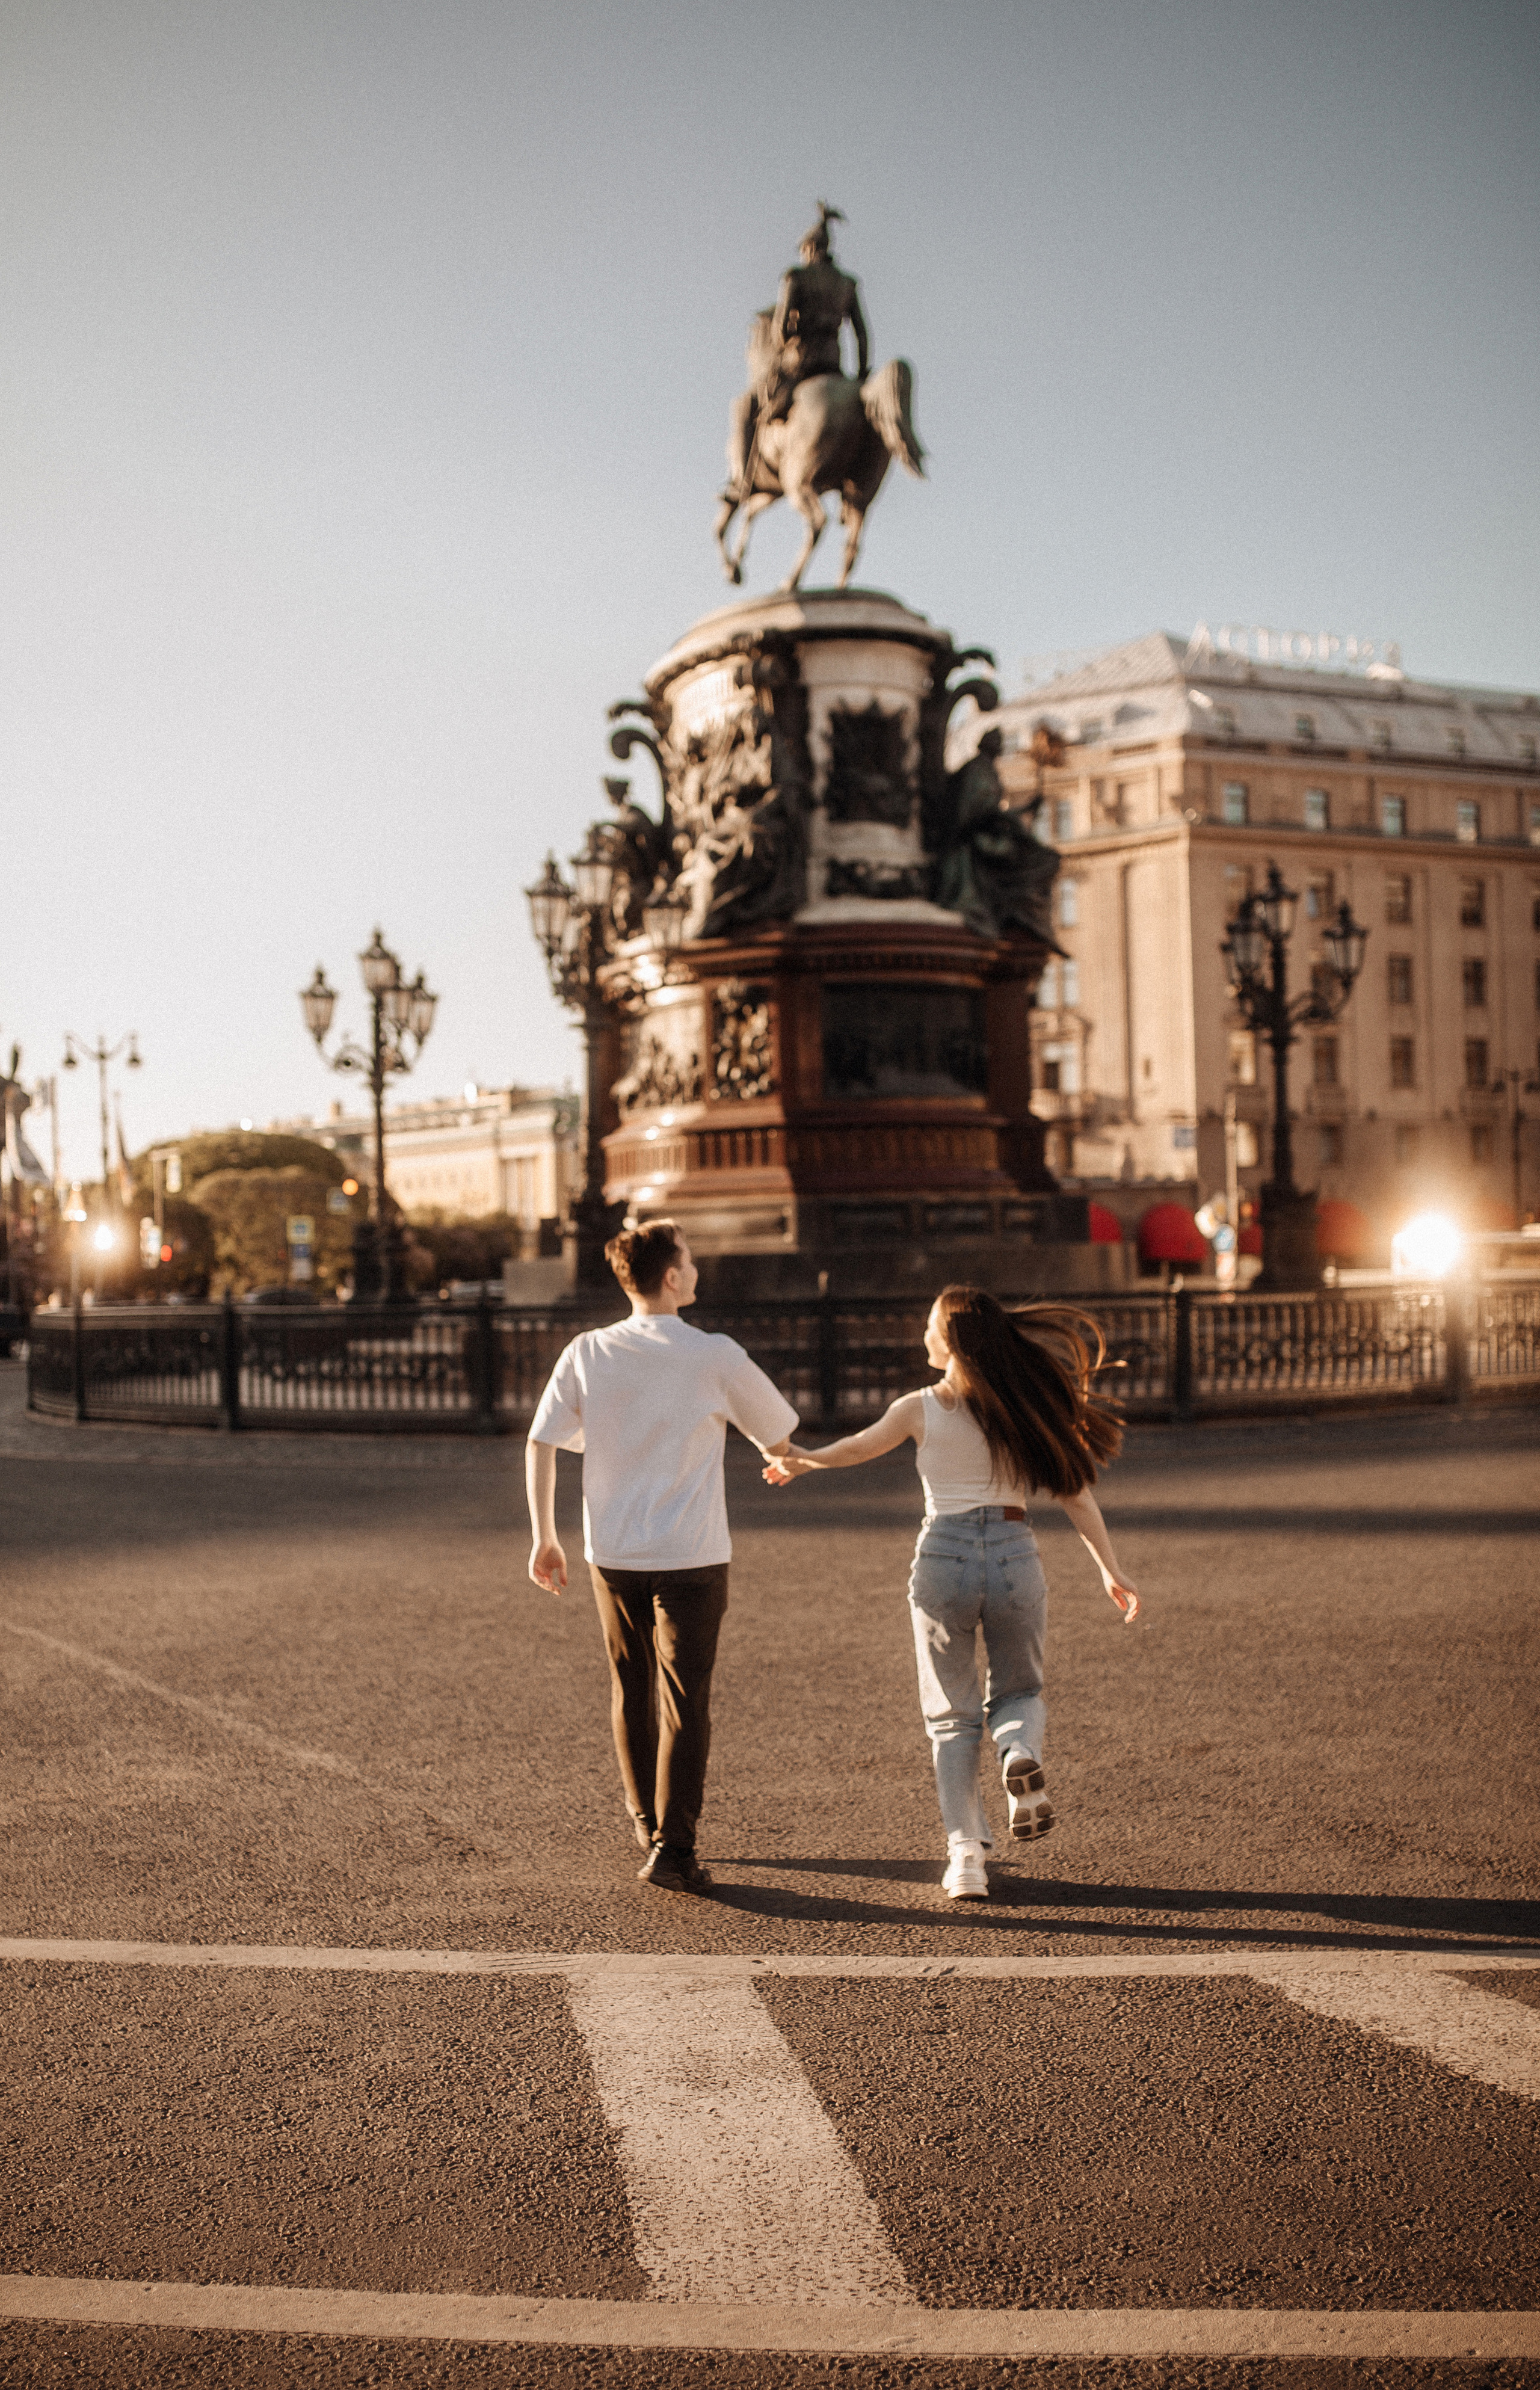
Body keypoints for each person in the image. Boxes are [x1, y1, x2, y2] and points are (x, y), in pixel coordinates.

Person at [765, 1286, 1139, 1902]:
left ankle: (965, 1856)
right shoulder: (1024, 1404)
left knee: (951, 1718)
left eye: (931, 1327)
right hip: (1016, 1553)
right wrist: (1110, 1568)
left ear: (952, 1340)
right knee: (1019, 1690)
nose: (923, 1337)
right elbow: (1074, 1492)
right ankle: (1018, 1751)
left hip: (944, 1559)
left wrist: (802, 1459)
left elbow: (858, 1448)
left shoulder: (920, 1407)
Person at [526, 1219, 798, 1894]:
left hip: (612, 1548)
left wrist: (545, 1535)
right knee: (685, 1696)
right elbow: (780, 1432)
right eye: (691, 1258)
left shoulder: (587, 1351)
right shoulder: (715, 1354)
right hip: (692, 1551)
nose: (696, 1267)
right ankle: (675, 1848)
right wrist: (777, 1458)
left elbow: (542, 1441)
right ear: (672, 1277)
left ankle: (645, 1819)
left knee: (630, 1686)